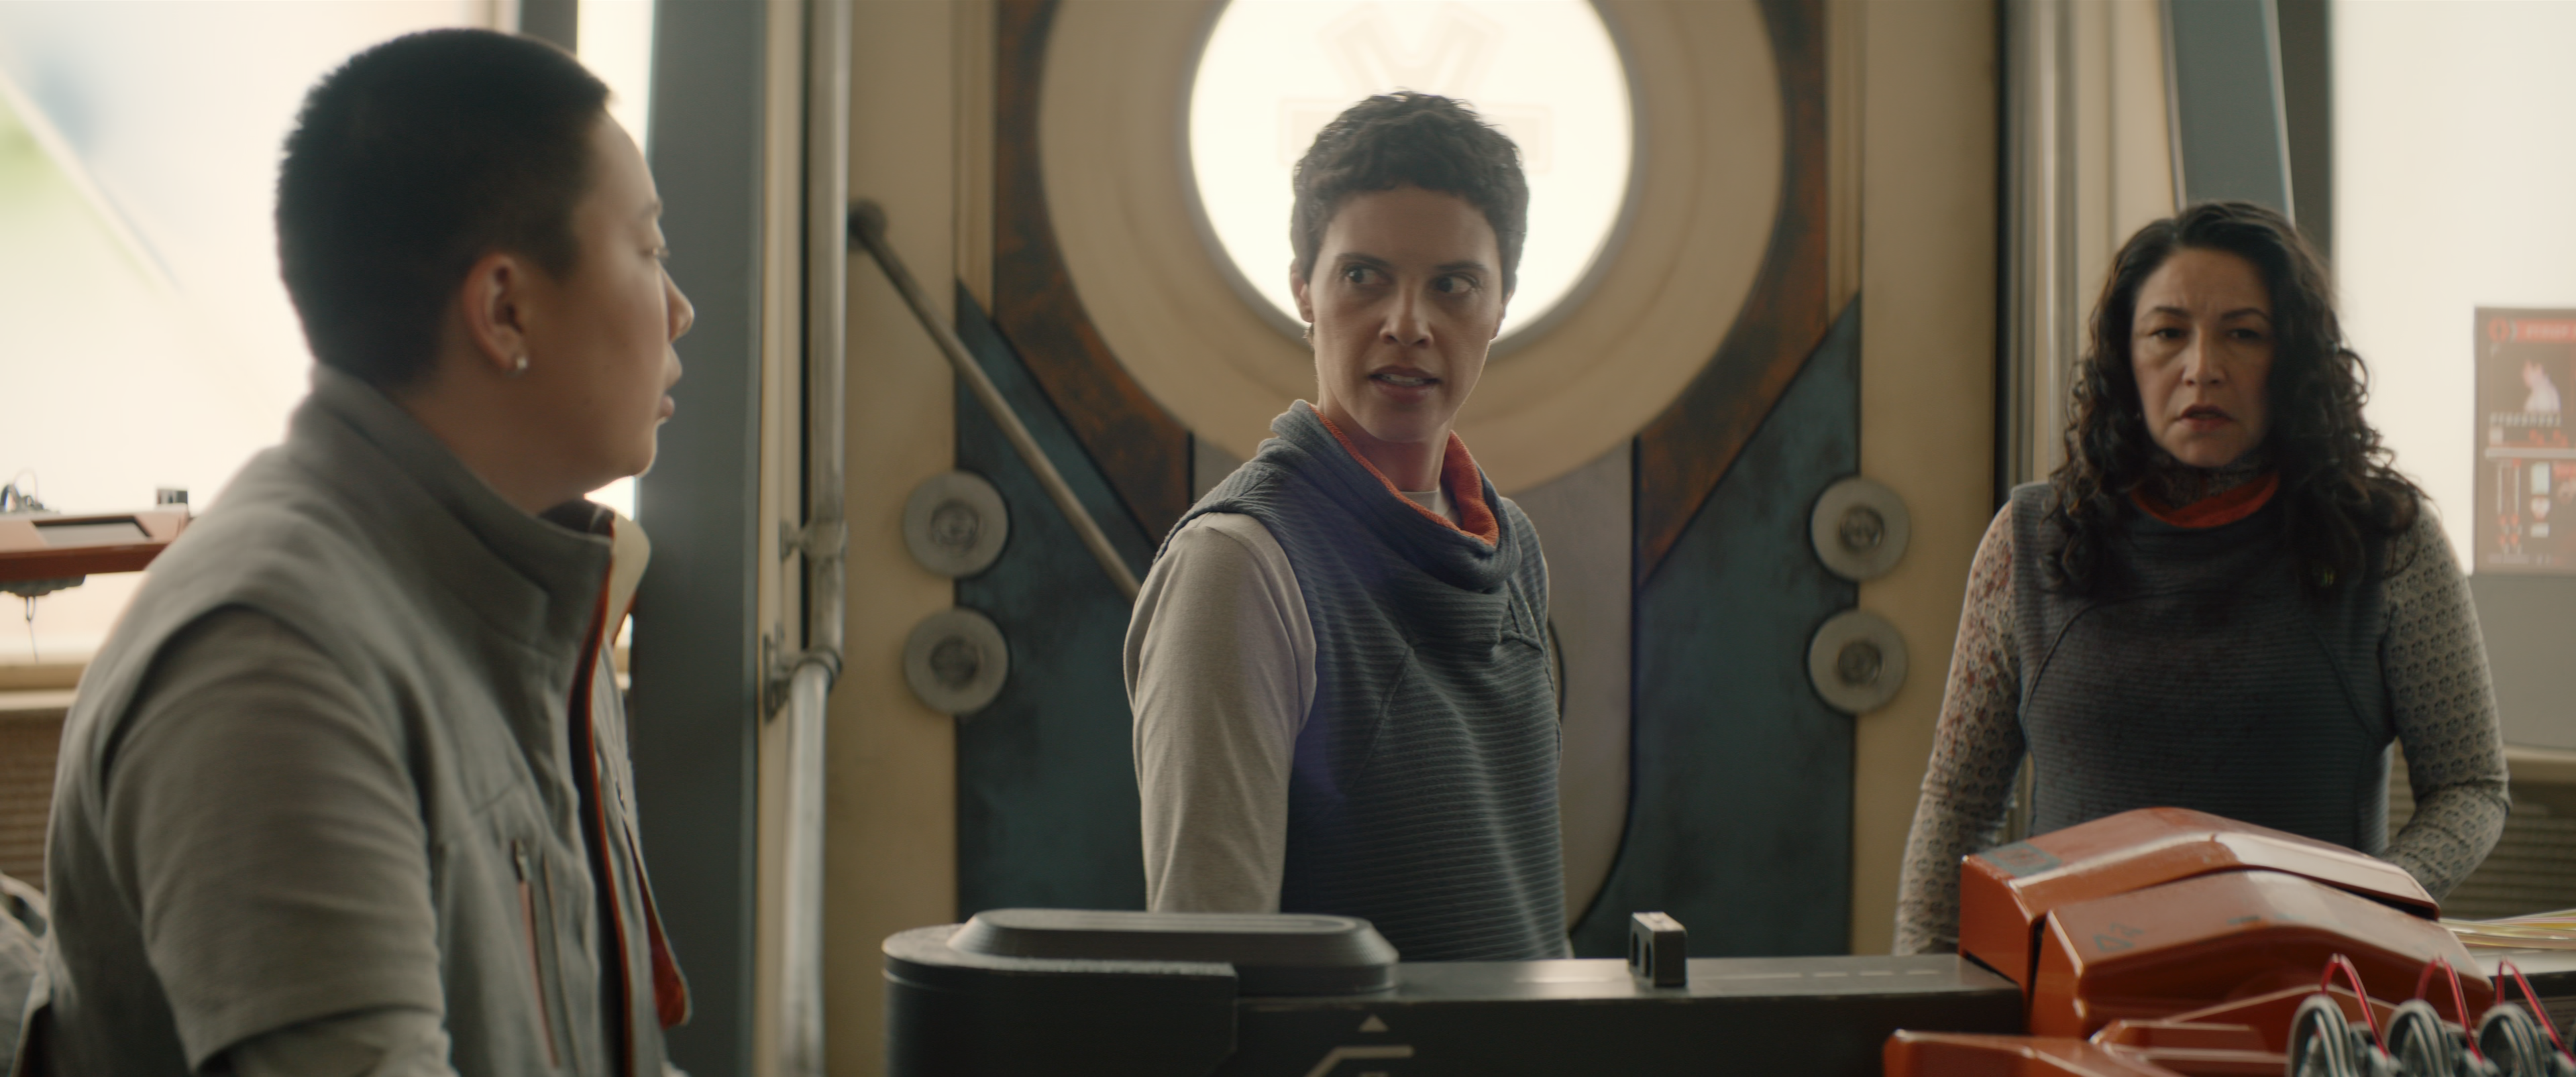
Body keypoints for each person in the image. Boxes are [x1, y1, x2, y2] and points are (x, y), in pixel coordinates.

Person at [23, 29, 694, 1075]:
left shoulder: (522, 583)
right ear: (505, 308)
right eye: (649, 250)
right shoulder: (271, 661)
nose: (681, 309)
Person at [1892, 201, 2508, 954]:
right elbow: (1957, 806)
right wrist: (1923, 986)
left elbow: (2471, 787)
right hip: (2068, 987)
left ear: (2293, 358)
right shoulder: (2027, 541)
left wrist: (2362, 904)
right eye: (2168, 333)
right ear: (2124, 357)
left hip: (2306, 984)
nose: (2202, 368)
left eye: (2244, 334)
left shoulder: (2388, 540)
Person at [1125, 92, 1564, 962]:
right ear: (1304, 290)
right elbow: (1213, 966)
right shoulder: (1239, 565)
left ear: (1502, 304)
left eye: (1453, 285)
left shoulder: (1511, 549)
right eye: (1364, 276)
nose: (1408, 324)